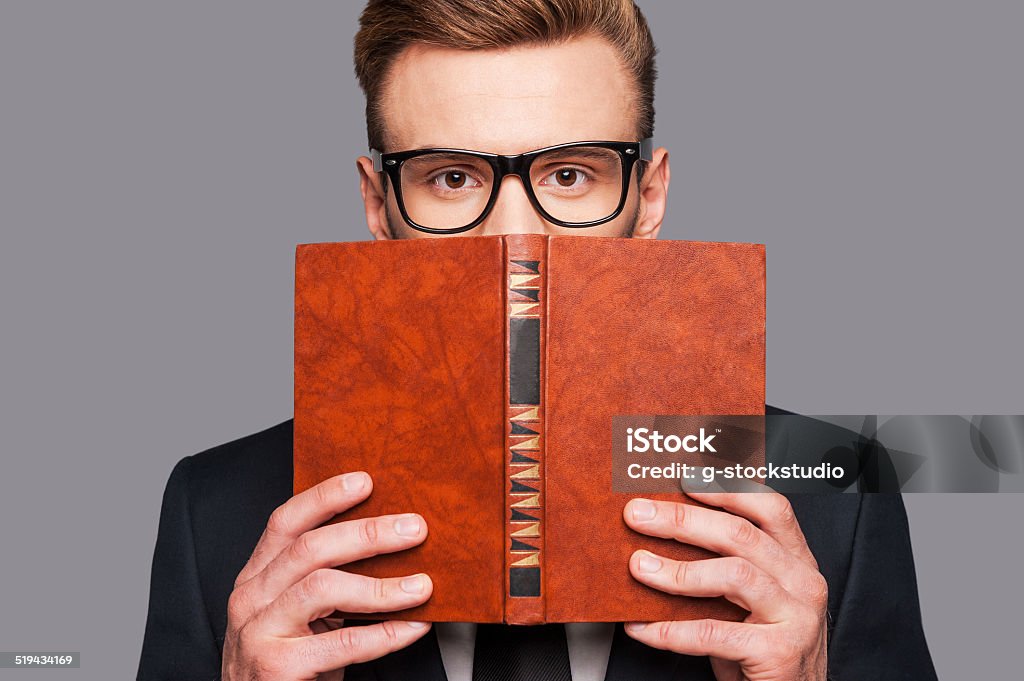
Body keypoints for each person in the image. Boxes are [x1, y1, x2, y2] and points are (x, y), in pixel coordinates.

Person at [137, 1, 937, 679]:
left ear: (649, 197)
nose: (514, 235)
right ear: (379, 207)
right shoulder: (217, 513)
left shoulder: (837, 497)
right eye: (450, 178)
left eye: (569, 175)